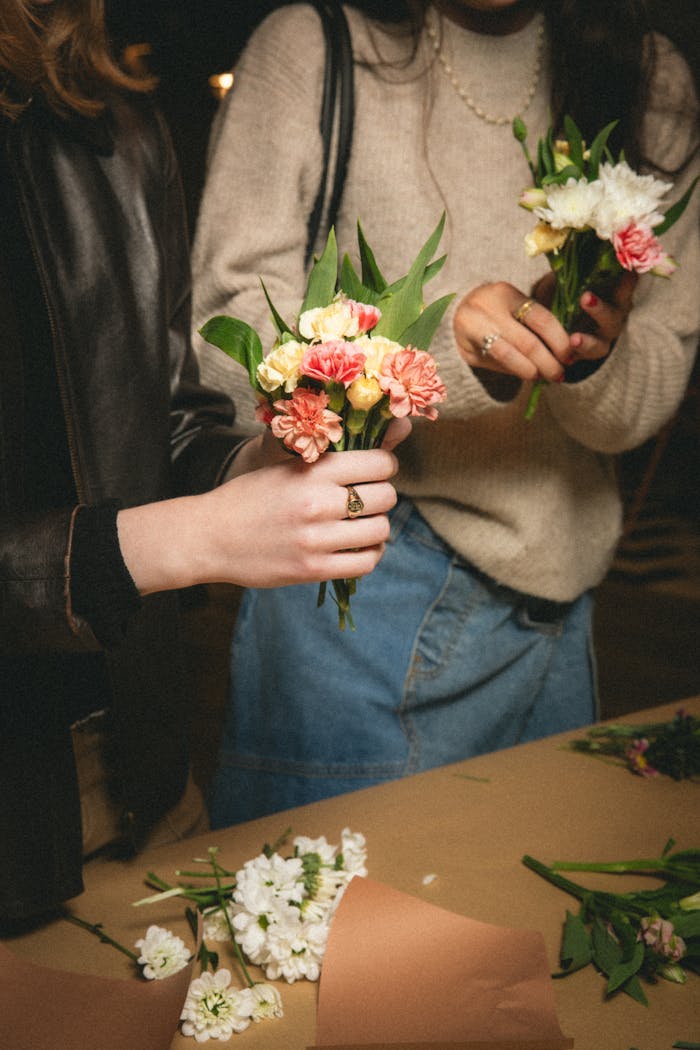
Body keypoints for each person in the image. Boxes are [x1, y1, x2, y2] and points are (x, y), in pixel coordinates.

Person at [191, 0, 700, 826]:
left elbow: (642, 405)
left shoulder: (652, 79)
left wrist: (590, 359)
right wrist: (434, 357)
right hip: (365, 579)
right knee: (334, 941)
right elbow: (227, 353)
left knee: (520, 944)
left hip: (563, 605)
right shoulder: (315, 49)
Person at [0, 0, 403, 932]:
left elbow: (167, 421)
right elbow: (161, 532)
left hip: (139, 780)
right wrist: (185, 540)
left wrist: (262, 463)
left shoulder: (112, 125)